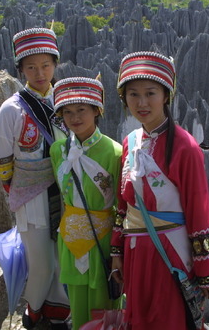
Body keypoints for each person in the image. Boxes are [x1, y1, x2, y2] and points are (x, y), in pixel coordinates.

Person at [109, 51, 209, 329]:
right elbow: (123, 206)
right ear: (124, 99)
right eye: (133, 95)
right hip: (136, 254)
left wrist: (207, 274)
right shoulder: (130, 142)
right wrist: (116, 252)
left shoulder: (186, 148)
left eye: (150, 93)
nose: (142, 102)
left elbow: (199, 215)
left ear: (166, 96)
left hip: (169, 255)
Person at [0, 27, 70, 330]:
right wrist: (17, 193)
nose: (40, 72)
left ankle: (57, 310)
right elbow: (0, 157)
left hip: (65, 193)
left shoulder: (64, 101)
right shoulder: (12, 109)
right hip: (31, 196)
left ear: (55, 64)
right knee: (41, 262)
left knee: (63, 258)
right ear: (21, 69)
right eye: (32, 66)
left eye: (46, 65)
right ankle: (33, 313)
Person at [50, 77, 122, 330]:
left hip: (102, 238)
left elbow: (121, 205)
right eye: (67, 112)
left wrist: (118, 251)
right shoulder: (57, 150)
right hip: (70, 239)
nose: (74, 117)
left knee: (104, 304)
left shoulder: (114, 152)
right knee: (76, 300)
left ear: (96, 110)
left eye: (81, 110)